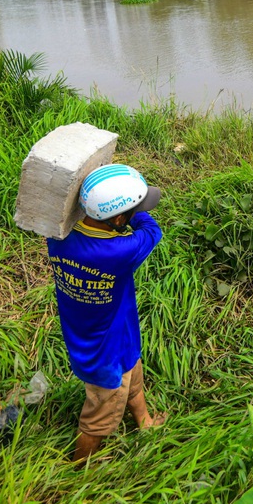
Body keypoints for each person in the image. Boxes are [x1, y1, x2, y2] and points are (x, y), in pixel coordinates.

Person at [46, 163, 167, 462]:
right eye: (135, 207)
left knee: (133, 376)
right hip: (105, 353)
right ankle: (79, 469)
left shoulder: (58, 238)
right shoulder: (119, 252)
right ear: (118, 217)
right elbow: (152, 229)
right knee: (97, 419)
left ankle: (145, 423)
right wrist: (135, 211)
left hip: (109, 334)